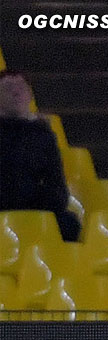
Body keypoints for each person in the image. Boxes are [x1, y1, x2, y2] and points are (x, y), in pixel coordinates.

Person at [0, 70, 80, 241]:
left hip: (35, 209)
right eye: (8, 88)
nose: (16, 92)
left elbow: (57, 186)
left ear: (30, 95)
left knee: (69, 223)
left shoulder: (42, 135)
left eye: (21, 87)